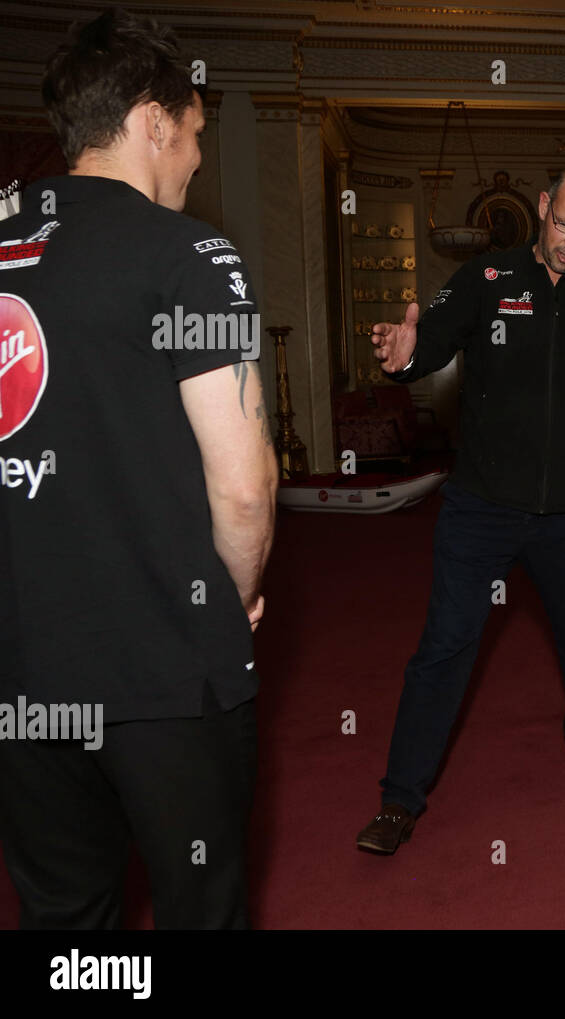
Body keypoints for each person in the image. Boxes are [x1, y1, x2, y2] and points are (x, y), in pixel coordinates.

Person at [0, 8, 278, 928]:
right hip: (163, 664)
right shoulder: (190, 254)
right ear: (155, 121)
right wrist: (233, 599)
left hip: (21, 672)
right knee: (202, 906)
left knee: (66, 918)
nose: (199, 158)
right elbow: (244, 486)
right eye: (197, 132)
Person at [358, 167, 565, 854]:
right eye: (563, 225)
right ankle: (399, 799)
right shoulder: (487, 279)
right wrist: (404, 360)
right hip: (484, 504)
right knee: (444, 647)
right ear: (544, 207)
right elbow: (428, 339)